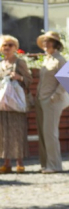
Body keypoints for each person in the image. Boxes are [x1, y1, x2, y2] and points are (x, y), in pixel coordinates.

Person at [35, 31, 69, 173]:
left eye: (49, 41)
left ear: (55, 43)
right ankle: (45, 164)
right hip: (41, 100)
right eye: (44, 41)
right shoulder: (47, 59)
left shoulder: (60, 60)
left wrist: (54, 97)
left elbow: (65, 81)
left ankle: (54, 165)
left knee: (50, 133)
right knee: (43, 133)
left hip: (52, 101)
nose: (45, 44)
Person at [0, 35, 33, 173]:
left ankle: (20, 163)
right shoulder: (1, 64)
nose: (7, 47)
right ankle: (6, 163)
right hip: (3, 104)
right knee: (4, 133)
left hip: (16, 105)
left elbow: (29, 80)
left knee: (18, 132)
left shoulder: (20, 63)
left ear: (15, 47)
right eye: (4, 45)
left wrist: (19, 77)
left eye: (10, 45)